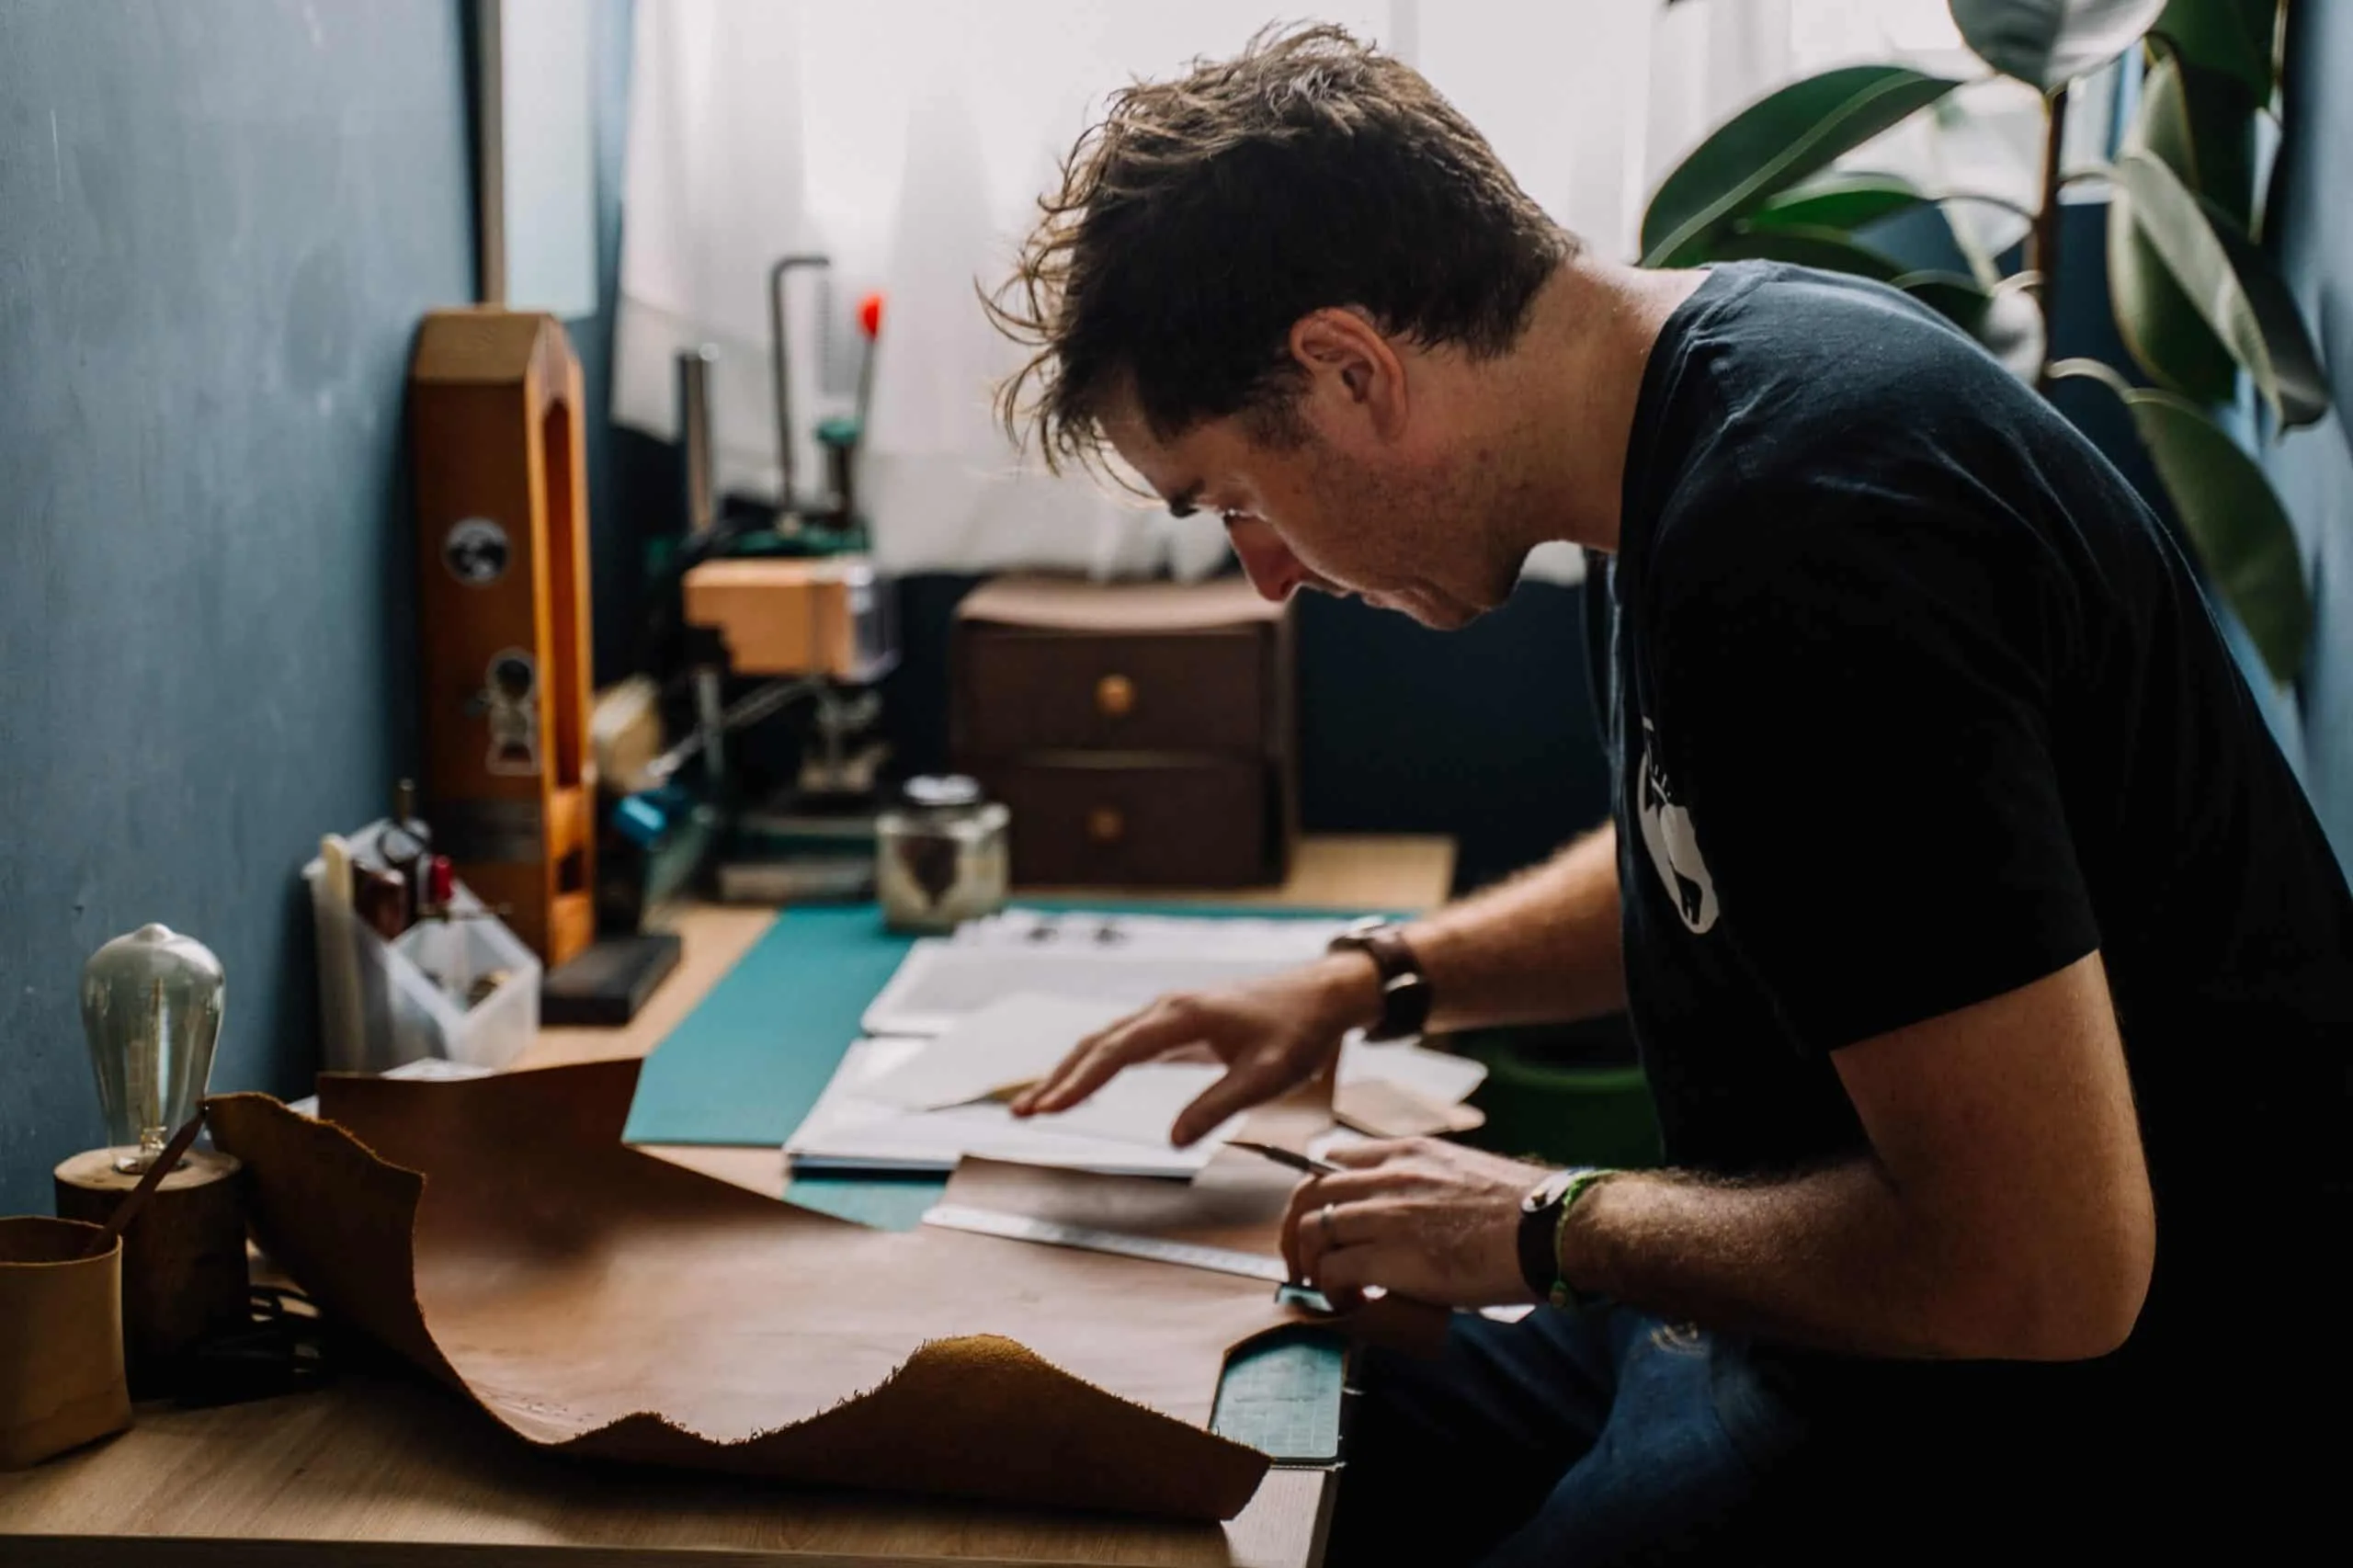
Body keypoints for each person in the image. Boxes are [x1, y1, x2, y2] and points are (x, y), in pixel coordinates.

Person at [989, 24, 2353, 1563]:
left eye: (1239, 496)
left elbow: (2045, 1271)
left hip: (2072, 1417)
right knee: (1261, 1380)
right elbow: (1723, 851)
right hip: (1812, 1318)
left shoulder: (1807, 541)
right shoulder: (1681, 416)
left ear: (1350, 368)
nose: (1267, 576)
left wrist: (1539, 1222)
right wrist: (1373, 977)